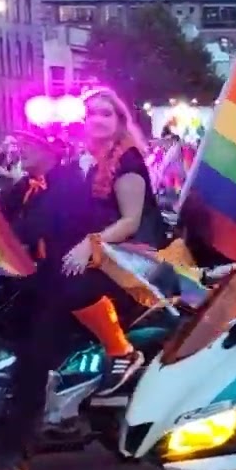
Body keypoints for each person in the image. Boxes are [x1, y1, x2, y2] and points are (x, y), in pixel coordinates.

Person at [0, 126, 99, 470]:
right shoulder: (25, 185)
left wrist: (4, 236)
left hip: (61, 286)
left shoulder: (69, 184)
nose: (18, 149)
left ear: (50, 149)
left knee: (30, 362)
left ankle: (14, 462)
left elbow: (31, 228)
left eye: (26, 144)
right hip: (26, 283)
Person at [59, 88, 170, 392]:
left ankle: (121, 351)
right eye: (91, 113)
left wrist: (87, 245)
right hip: (108, 251)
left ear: (120, 120)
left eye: (106, 113)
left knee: (72, 286)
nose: (97, 119)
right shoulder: (93, 159)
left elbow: (129, 221)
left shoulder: (128, 160)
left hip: (135, 256)